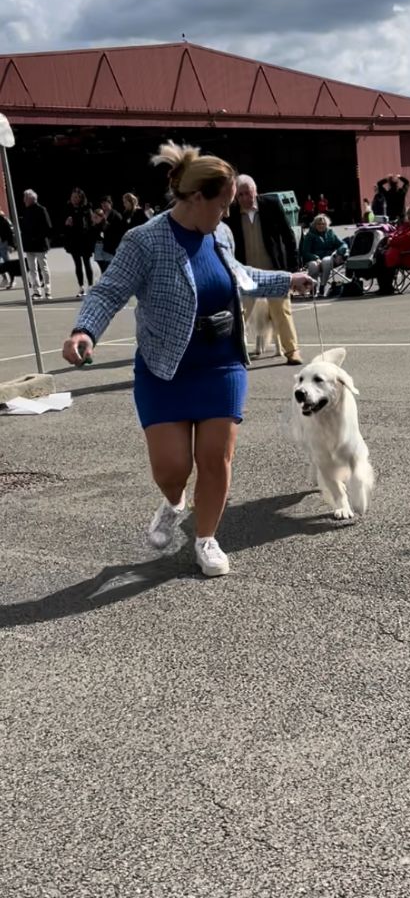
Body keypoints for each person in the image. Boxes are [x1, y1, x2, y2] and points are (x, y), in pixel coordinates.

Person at [62, 142, 314, 578]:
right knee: (172, 469)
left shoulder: (220, 233)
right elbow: (108, 291)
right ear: (197, 198)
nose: (228, 213)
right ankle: (175, 503)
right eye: (224, 203)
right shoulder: (144, 240)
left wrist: (287, 280)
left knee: (215, 458)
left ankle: (206, 538)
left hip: (221, 363)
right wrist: (84, 330)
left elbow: (241, 276)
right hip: (165, 368)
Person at [225, 175, 302, 364]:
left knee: (282, 313)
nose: (244, 198)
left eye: (248, 193)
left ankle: (292, 351)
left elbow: (288, 235)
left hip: (272, 271)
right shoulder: (231, 212)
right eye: (240, 194)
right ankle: (237, 354)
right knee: (239, 315)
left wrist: (292, 269)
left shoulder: (271, 204)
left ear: (255, 191)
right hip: (244, 274)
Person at [375, 204, 410, 294]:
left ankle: (386, 287)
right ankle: (385, 286)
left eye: (408, 216)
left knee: (381, 257)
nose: (407, 218)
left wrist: (391, 240)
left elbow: (403, 239)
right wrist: (391, 237)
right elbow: (398, 232)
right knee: (383, 255)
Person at [301, 214, 348, 297]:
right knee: (313, 266)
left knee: (326, 261)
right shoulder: (310, 235)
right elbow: (305, 252)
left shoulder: (330, 233)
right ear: (314, 225)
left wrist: (340, 253)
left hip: (329, 259)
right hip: (313, 259)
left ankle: (322, 287)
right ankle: (313, 288)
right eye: (318, 224)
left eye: (323, 224)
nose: (321, 226)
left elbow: (343, 244)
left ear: (326, 225)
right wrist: (316, 258)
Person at [20, 190, 53, 299]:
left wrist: (37, 237)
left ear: (31, 199)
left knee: (43, 267)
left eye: (25, 197)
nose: (24, 200)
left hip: (40, 244)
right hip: (29, 245)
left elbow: (47, 227)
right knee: (32, 269)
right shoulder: (25, 211)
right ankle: (36, 291)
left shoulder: (41, 210)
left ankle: (47, 290)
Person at [64, 187, 93, 298]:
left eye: (76, 197)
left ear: (81, 198)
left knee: (86, 262)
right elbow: (63, 226)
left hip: (84, 240)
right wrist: (66, 224)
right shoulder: (68, 209)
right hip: (73, 241)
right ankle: (81, 287)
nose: (73, 199)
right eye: (72, 197)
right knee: (77, 264)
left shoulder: (86, 209)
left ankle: (90, 286)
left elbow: (90, 224)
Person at [0, 210, 15, 289]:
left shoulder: (4, 220)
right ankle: (5, 279)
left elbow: (10, 233)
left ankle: (12, 280)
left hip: (3, 244)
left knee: (7, 263)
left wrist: (11, 245)